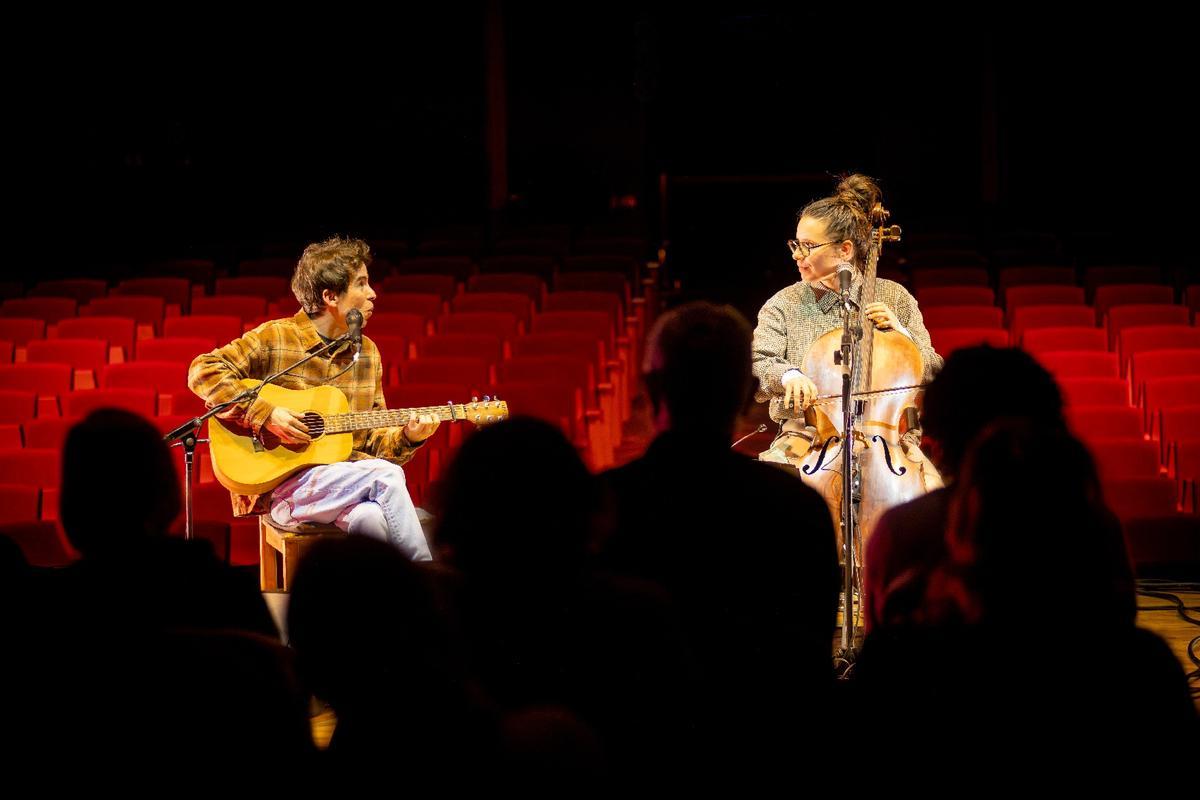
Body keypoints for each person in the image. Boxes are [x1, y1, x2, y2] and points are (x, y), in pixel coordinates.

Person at [188, 236, 439, 560]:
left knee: (371, 518)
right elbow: (202, 370)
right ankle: (427, 585)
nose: (373, 293)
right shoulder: (276, 337)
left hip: (343, 484)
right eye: (361, 283)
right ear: (330, 296)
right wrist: (267, 414)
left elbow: (373, 441)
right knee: (386, 476)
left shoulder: (366, 354)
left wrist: (408, 436)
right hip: (280, 490)